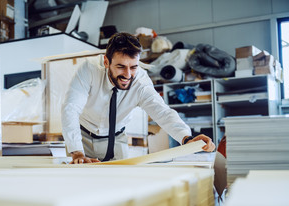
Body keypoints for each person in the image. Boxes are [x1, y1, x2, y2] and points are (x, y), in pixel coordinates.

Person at [61, 32, 215, 164]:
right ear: (106, 62)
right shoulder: (89, 69)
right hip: (83, 138)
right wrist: (77, 151)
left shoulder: (140, 82)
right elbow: (70, 108)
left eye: (133, 67)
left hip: (116, 139)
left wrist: (187, 138)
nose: (128, 75)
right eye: (121, 67)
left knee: (119, 185)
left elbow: (162, 112)